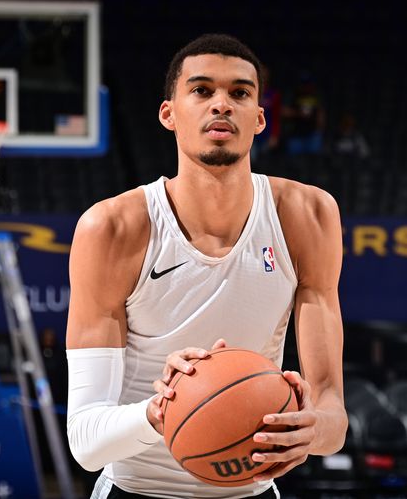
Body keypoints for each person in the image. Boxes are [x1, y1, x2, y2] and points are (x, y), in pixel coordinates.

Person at [66, 34, 347, 499]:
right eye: (201, 91)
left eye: (239, 93)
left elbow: (333, 419)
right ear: (168, 114)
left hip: (251, 492)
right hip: (137, 489)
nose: (221, 105)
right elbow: (86, 441)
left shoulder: (308, 215)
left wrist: (310, 431)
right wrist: (162, 410)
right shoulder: (113, 227)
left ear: (260, 118)